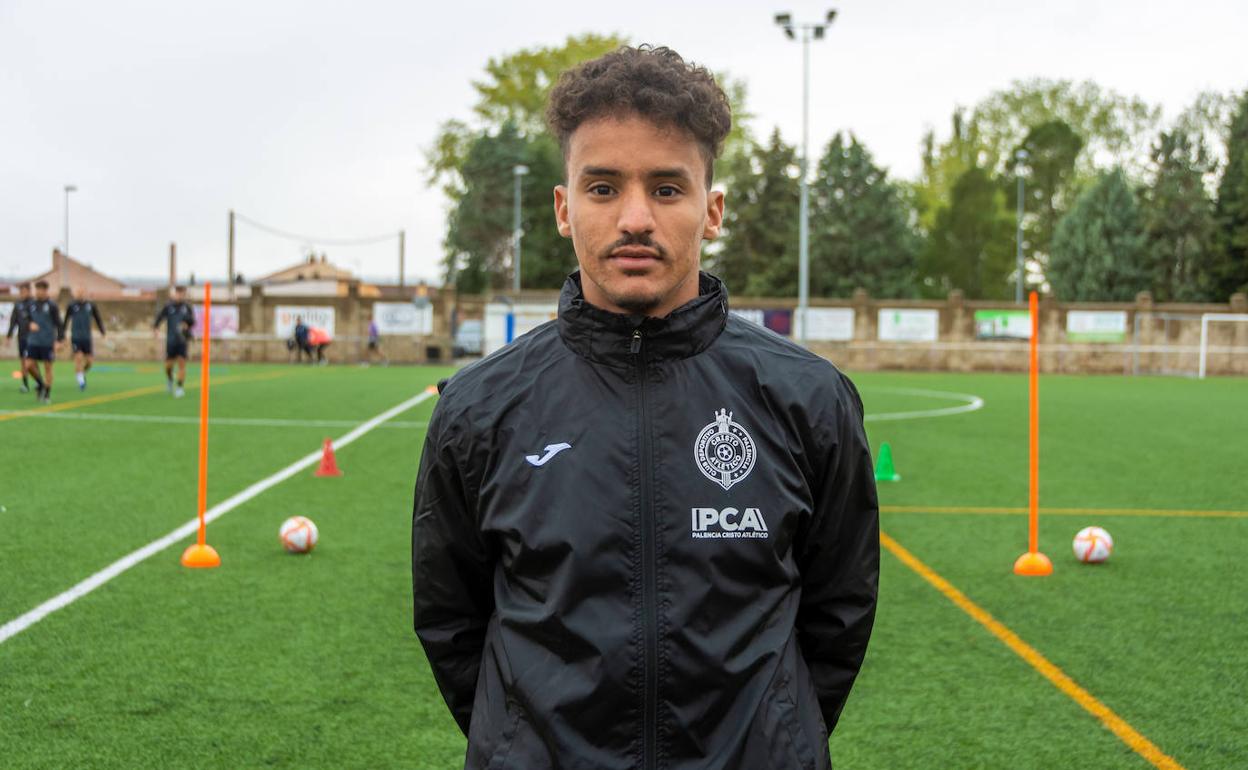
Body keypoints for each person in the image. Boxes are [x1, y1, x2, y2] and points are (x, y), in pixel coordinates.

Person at [412, 46, 879, 770]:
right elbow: (452, 620)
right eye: (603, 189)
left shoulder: (808, 398)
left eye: (666, 189)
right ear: (565, 209)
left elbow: (838, 614)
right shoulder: (479, 408)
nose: (635, 218)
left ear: (711, 209)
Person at [23, 280, 63, 404]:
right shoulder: (31, 305)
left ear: (46, 290)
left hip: (47, 342)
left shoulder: (52, 306)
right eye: (37, 289)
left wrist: (59, 340)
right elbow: (25, 320)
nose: (39, 292)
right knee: (28, 366)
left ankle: (46, 394)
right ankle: (40, 383)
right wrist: (30, 324)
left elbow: (59, 325)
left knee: (48, 368)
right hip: (33, 341)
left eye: (41, 290)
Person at [61, 287, 106, 390]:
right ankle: (81, 382)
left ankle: (81, 374)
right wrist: (62, 336)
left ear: (85, 293)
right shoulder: (71, 305)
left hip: (87, 337)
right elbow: (65, 321)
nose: (80, 294)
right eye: (78, 292)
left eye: (82, 292)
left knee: (89, 362)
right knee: (79, 358)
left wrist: (102, 332)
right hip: (76, 337)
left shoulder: (91, 305)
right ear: (75, 293)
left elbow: (97, 318)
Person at [153, 286, 195, 397]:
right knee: (168, 366)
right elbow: (159, 318)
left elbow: (192, 321)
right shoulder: (168, 306)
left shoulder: (187, 307)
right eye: (178, 293)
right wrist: (156, 329)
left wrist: (187, 325)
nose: (180, 295)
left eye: (182, 293)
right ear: (174, 293)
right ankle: (170, 380)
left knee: (182, 363)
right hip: (171, 341)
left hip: (182, 341)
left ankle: (180, 387)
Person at [5, 282, 34, 393]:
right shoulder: (17, 305)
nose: (22, 294)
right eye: (20, 292)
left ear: (29, 291)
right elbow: (13, 322)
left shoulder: (34, 304)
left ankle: (38, 381)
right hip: (21, 337)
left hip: (33, 338)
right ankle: (25, 384)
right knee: (23, 361)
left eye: (24, 291)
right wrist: (8, 337)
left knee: (31, 362)